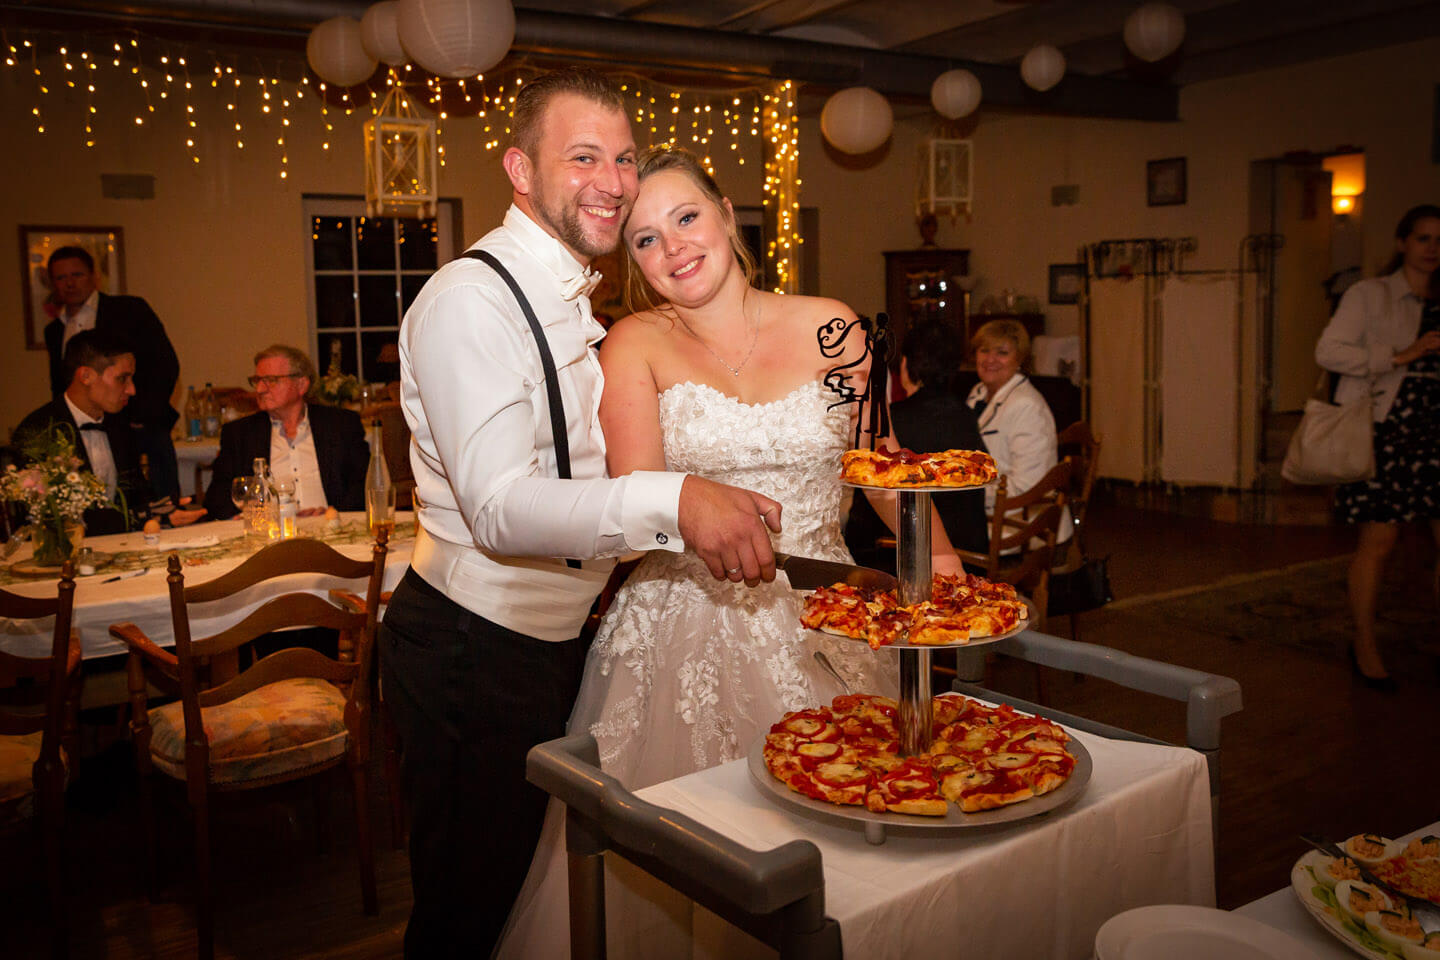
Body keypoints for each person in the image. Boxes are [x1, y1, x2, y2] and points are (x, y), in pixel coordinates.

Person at [496, 146, 967, 958]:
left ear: (725, 216)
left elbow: (877, 465)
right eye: (644, 238)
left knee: (855, 846)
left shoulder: (834, 326)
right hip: (686, 620)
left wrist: (941, 559)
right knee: (689, 864)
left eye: (686, 218)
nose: (673, 246)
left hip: (831, 613)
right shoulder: (632, 345)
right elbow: (639, 498)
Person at [378, 71, 783, 960]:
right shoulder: (469, 301)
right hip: (469, 652)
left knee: (536, 893)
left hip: (554, 648)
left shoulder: (579, 303)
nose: (613, 179)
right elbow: (497, 505)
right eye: (584, 157)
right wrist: (675, 500)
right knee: (467, 916)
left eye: (625, 158)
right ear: (520, 171)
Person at [1316, 203, 1440, 690]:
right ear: (1402, 243)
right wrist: (1402, 354)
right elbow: (1328, 351)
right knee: (1380, 543)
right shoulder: (1372, 294)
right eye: (1424, 238)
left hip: (1436, 432)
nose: (1433, 249)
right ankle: (1364, 642)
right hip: (1391, 431)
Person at [15, 330, 203, 534]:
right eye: (122, 379)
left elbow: (136, 495)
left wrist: (165, 509)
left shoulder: (120, 424)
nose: (132, 390)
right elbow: (51, 519)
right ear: (86, 376)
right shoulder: (39, 431)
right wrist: (141, 517)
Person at [43, 247, 182, 502]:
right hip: (83, 429)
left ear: (94, 276)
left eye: (77, 274)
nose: (70, 283)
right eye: (61, 278)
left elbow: (165, 364)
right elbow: (60, 382)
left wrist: (140, 415)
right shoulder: (54, 329)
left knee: (158, 500)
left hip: (138, 424)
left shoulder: (129, 309)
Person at [202, 344, 368, 519]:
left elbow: (364, 485)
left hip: (332, 530)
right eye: (257, 381)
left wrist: (333, 515)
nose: (260, 389)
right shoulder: (239, 434)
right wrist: (252, 515)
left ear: (301, 384)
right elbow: (217, 499)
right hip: (269, 535)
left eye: (271, 380)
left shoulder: (341, 425)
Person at [966, 318, 1071, 542]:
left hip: (1022, 523)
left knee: (934, 537)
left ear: (1020, 359)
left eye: (1002, 352)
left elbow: (1028, 486)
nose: (990, 360)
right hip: (991, 509)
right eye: (984, 350)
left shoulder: (1027, 406)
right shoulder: (978, 393)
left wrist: (967, 496)